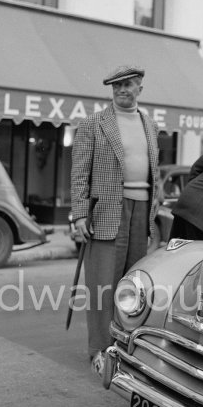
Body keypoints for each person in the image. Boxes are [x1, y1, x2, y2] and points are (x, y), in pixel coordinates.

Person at [70, 65, 159, 374]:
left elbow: (152, 172)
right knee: (102, 285)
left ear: (140, 89)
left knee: (133, 287)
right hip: (106, 212)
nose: (122, 90)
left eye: (129, 85)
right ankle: (99, 349)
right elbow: (80, 173)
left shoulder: (149, 125)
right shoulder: (93, 124)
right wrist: (80, 214)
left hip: (141, 209)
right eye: (117, 85)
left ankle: (125, 346)